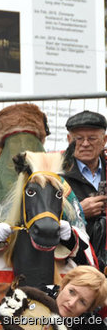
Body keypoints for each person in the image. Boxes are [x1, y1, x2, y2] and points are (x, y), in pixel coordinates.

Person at [0, 103, 92, 330]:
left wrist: (70, 236)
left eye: (30, 142)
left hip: (53, 274)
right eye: (15, 143)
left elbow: (81, 232)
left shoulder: (61, 186)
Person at [62, 111, 107, 271]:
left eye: (92, 138)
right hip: (74, 262)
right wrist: (78, 212)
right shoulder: (56, 175)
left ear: (104, 141)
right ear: (69, 140)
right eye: (78, 139)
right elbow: (44, 219)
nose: (85, 144)